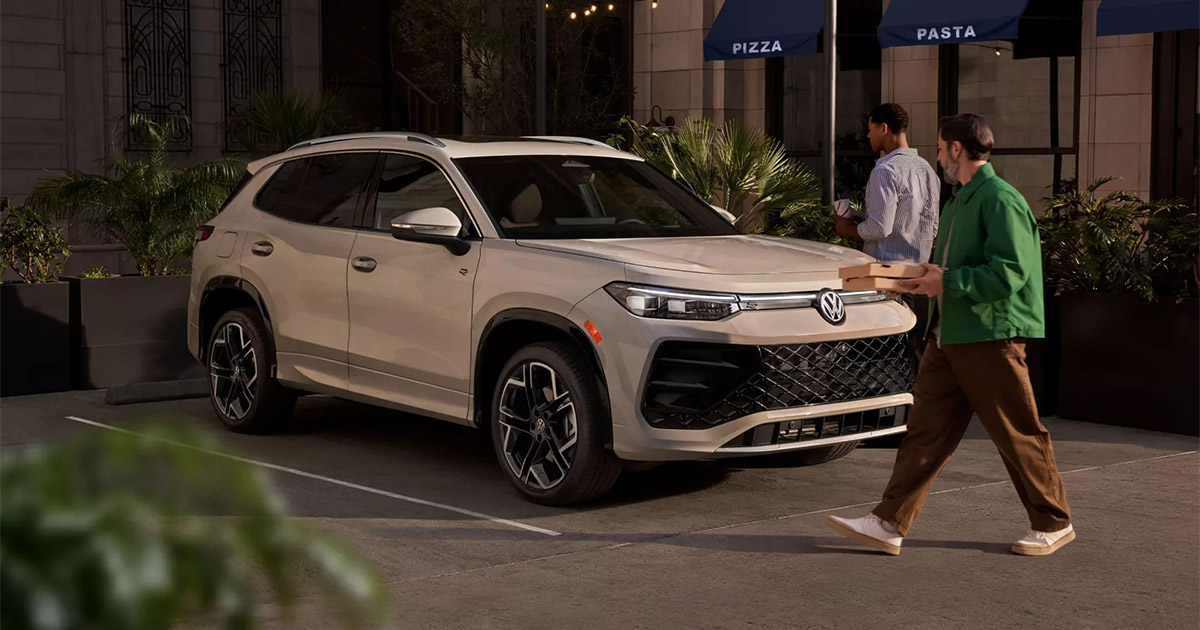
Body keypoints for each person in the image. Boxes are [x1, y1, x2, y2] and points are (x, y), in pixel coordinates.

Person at [825, 113, 1074, 557]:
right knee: (925, 432)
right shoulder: (958, 201)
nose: (937, 155)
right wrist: (914, 278)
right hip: (950, 335)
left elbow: (1011, 272)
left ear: (957, 149)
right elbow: (944, 269)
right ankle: (888, 522)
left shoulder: (999, 200)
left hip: (988, 336)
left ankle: (1053, 522)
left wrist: (948, 281)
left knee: (1016, 431)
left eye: (940, 148)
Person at [834, 103, 940, 264]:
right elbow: (932, 228)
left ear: (884, 128)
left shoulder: (885, 170)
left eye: (870, 129)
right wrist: (862, 217)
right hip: (918, 272)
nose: (868, 136)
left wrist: (846, 229)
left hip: (886, 273)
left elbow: (878, 228)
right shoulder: (928, 170)